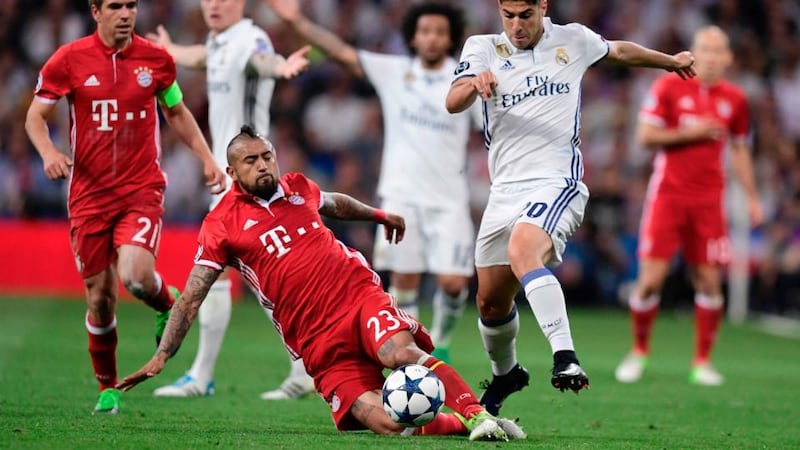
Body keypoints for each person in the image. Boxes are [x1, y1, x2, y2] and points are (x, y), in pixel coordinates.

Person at [116, 126, 526, 442]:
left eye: (267, 156)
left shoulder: (297, 187)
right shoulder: (221, 226)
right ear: (231, 171)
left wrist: (379, 216)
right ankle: (461, 424)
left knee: (399, 351)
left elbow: (336, 203)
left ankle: (480, 414)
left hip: (357, 297)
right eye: (250, 161)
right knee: (382, 422)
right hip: (316, 342)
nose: (262, 165)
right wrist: (162, 358)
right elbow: (190, 297)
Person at [445, 0, 696, 415]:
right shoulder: (482, 47)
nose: (516, 25)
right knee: (490, 303)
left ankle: (565, 357)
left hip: (556, 181)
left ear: (542, 7)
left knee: (523, 250)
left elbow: (619, 50)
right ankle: (507, 373)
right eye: (508, 15)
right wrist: (474, 84)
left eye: (525, 15)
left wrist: (670, 62)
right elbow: (452, 101)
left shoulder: (573, 39)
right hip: (503, 190)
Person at [24, 0, 227, 414]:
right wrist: (47, 152)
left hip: (141, 190)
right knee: (99, 297)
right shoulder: (68, 60)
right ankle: (107, 387)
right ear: (95, 11)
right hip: (88, 196)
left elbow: (176, 111)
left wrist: (207, 157)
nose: (126, 14)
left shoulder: (156, 60)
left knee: (135, 276)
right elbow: (35, 116)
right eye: (116, 6)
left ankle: (164, 302)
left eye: (132, 5)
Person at [265, 0, 481, 363]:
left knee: (454, 283)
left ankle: (441, 340)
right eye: (425, 31)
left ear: (451, 38)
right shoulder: (395, 71)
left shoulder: (463, 83)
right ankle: (411, 346)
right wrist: (297, 20)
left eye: (440, 32)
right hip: (401, 194)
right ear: (413, 36)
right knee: (405, 278)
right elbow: (342, 53)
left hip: (449, 198)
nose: (431, 39)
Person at [146, 0, 314, 400]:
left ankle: (207, 375)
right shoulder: (220, 42)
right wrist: (171, 50)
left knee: (241, 275)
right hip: (230, 178)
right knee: (239, 276)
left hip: (250, 179)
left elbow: (263, 61)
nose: (213, 5)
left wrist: (282, 67)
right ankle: (299, 368)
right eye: (207, 0)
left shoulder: (251, 39)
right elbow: (203, 56)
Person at [614, 26, 763, 386]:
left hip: (710, 201)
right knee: (650, 282)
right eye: (705, 50)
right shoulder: (669, 85)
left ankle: (702, 362)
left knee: (711, 282)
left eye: (718, 51)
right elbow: (645, 137)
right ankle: (639, 352)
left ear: (728, 58)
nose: (711, 57)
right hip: (667, 196)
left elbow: (740, 150)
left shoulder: (736, 100)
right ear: (694, 54)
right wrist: (689, 133)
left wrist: (752, 196)